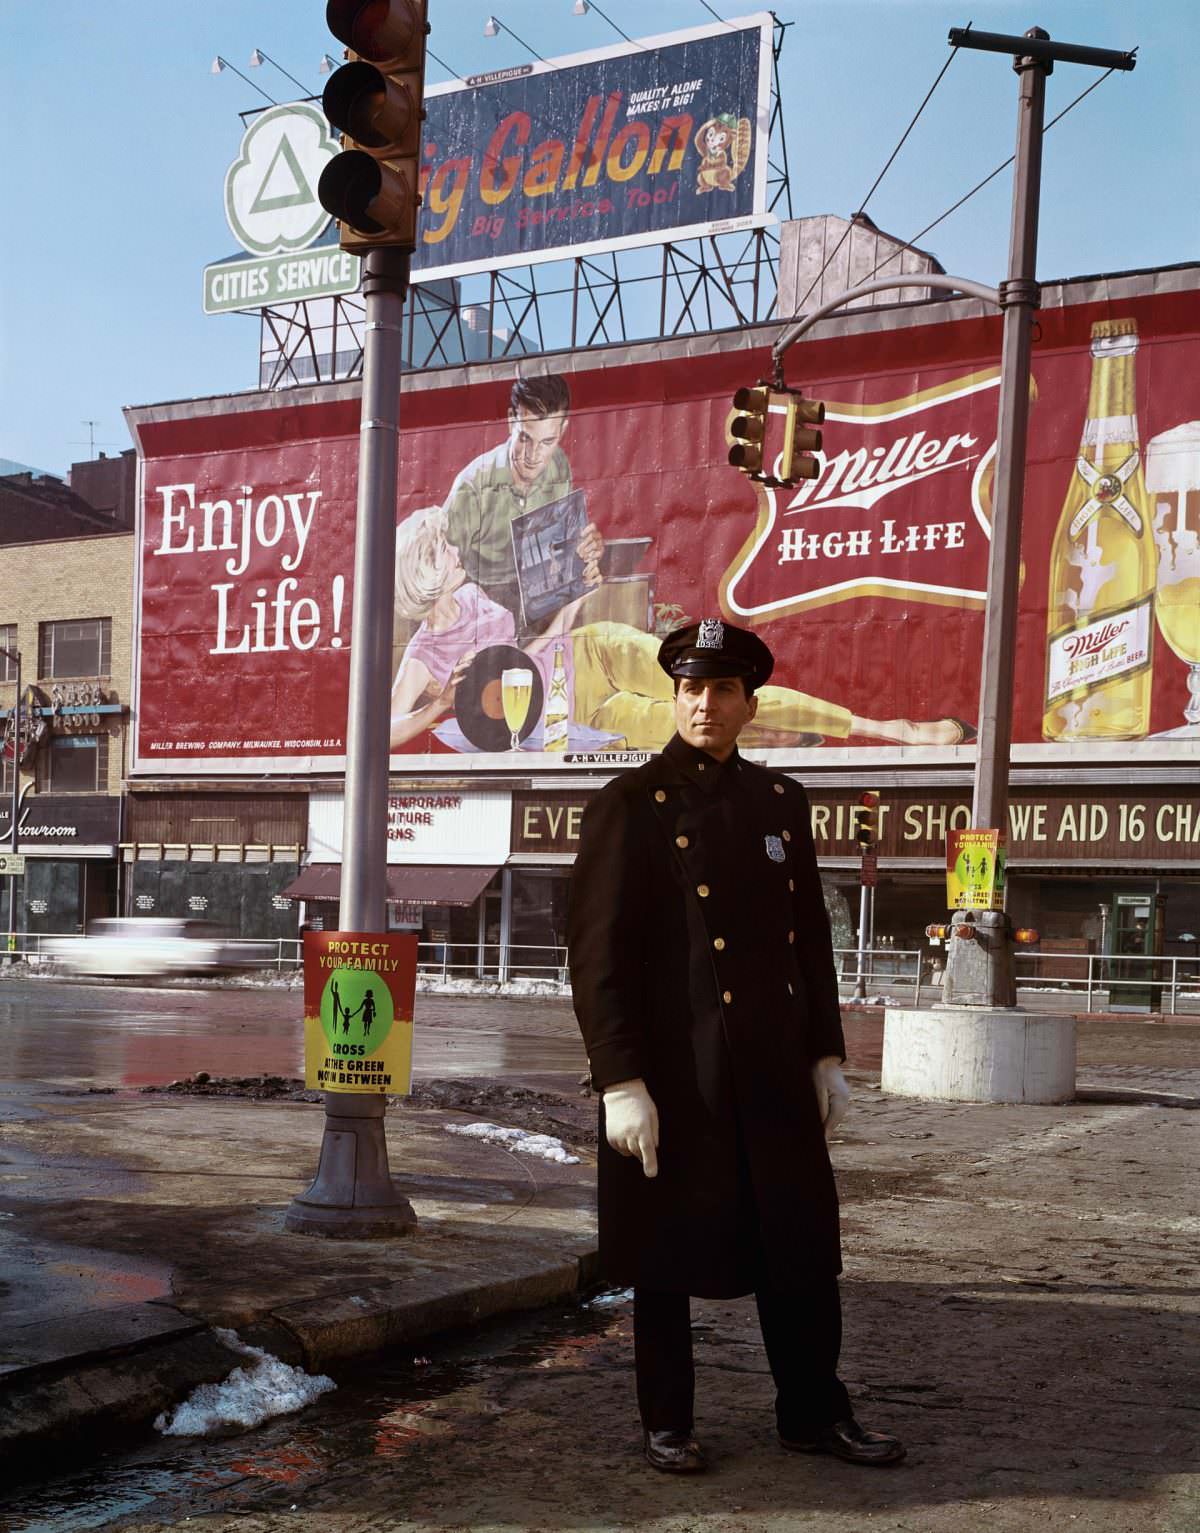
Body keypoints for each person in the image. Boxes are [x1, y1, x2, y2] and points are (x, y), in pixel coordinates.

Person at [567, 618, 907, 1475]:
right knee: (665, 1256)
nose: (704, 704)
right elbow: (597, 960)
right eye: (690, 688)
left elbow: (809, 942)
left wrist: (825, 1056)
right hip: (677, 1076)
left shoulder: (780, 801)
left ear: (750, 705)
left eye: (723, 689)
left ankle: (813, 1412)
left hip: (773, 1070)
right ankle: (668, 1420)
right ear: (673, 698)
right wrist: (620, 1081)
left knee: (801, 1249)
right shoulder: (629, 805)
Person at [389, 506, 975, 753]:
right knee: (703, 722)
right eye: (442, 549)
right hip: (577, 717)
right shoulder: (421, 653)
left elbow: (528, 654)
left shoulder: (474, 598)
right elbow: (379, 735)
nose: (455, 551)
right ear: (423, 571)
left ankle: (888, 728)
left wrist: (575, 602)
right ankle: (778, 735)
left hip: (590, 651)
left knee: (714, 683)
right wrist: (438, 705)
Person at [443, 372, 604, 627]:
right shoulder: (472, 487)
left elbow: (560, 544)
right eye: (525, 438)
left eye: (547, 442)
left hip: (540, 598)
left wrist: (584, 548)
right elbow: (438, 572)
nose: (533, 456)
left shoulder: (558, 465)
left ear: (562, 430)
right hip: (481, 606)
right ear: (511, 421)